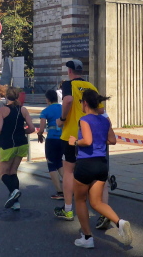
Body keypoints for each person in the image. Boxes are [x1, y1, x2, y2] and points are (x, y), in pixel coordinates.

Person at [69, 89, 132, 248]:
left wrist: (75, 141)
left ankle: (87, 238)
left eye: (81, 102)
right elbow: (112, 140)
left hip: (85, 164)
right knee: (96, 202)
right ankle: (120, 222)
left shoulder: (84, 119)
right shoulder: (104, 120)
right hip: (101, 164)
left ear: (85, 103)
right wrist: (99, 139)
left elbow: (87, 141)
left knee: (80, 200)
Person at [55, 59, 102, 221]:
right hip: (91, 134)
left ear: (69, 71)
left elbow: (68, 100)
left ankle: (68, 209)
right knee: (94, 171)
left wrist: (62, 118)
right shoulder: (91, 86)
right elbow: (101, 109)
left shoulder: (68, 84)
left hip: (72, 135)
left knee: (68, 171)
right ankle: (102, 211)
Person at [0, 86, 35, 211]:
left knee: (3, 173)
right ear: (17, 96)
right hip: (21, 143)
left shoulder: (2, 110)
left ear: (7, 96)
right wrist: (22, 132)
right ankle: (15, 202)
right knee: (13, 172)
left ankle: (14, 191)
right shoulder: (23, 109)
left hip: (8, 144)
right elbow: (32, 128)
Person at [38, 89, 64, 200]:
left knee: (51, 164)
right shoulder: (63, 108)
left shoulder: (45, 111)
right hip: (63, 138)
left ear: (47, 99)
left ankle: (59, 191)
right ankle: (70, 187)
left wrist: (39, 135)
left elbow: (41, 128)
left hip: (52, 139)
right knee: (60, 163)